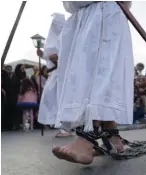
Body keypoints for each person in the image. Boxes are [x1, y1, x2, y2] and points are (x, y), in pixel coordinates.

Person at [39, 2, 134, 165]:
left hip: (100, 14)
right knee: (96, 75)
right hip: (92, 15)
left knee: (95, 77)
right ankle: (112, 138)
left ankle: (86, 140)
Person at [37, 13, 73, 137]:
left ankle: (66, 128)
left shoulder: (66, 37)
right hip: (57, 77)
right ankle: (64, 127)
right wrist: (44, 55)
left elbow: (61, 59)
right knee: (54, 100)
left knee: (62, 100)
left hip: (63, 77)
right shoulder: (57, 39)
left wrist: (54, 58)